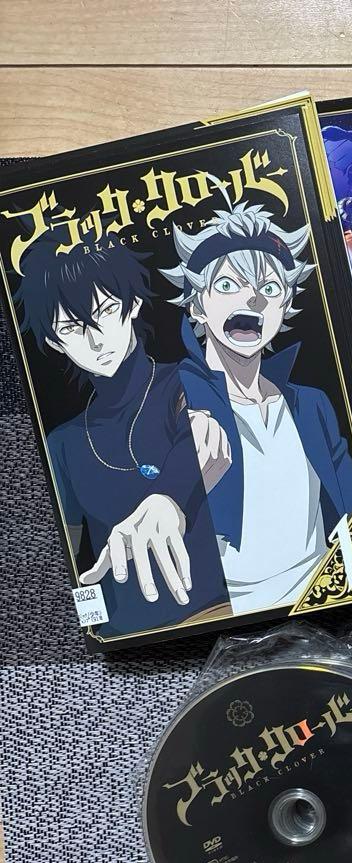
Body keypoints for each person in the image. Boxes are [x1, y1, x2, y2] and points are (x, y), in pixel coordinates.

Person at [14, 238, 229, 635]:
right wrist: (92, 627)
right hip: (121, 639)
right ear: (55, 343)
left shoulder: (187, 380)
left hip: (215, 613)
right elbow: (72, 565)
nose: (96, 340)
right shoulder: (63, 443)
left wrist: (166, 499)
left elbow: (204, 438)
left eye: (106, 311)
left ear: (133, 305)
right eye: (71, 329)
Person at [162, 201, 352, 614]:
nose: (252, 299)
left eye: (270, 289)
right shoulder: (174, 400)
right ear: (197, 305)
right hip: (225, 614)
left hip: (326, 601)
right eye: (227, 284)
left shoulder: (311, 404)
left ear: (284, 307)